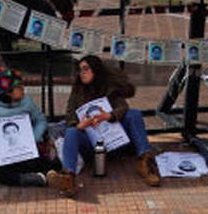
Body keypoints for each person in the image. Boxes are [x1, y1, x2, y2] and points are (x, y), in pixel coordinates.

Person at [46, 55, 161, 197]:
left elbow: (123, 107)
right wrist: (80, 124)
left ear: (96, 70)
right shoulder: (77, 90)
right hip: (92, 143)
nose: (82, 72)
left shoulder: (109, 87)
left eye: (86, 69)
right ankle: (68, 178)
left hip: (114, 138)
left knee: (134, 114)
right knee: (71, 131)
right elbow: (69, 115)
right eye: (80, 69)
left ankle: (145, 163)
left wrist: (108, 116)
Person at [0, 68, 59, 187]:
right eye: (19, 87)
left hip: (23, 147)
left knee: (48, 163)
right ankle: (26, 178)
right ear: (7, 92)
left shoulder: (26, 101)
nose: (23, 89)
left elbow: (40, 120)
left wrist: (34, 138)